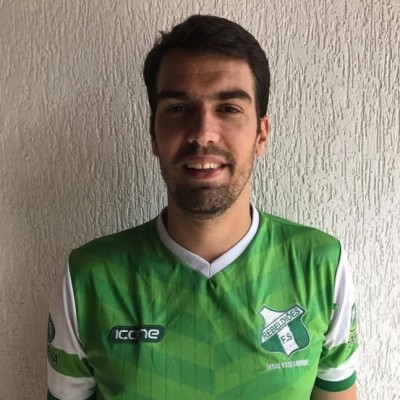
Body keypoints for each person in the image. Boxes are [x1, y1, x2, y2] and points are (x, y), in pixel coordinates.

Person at [47, 15, 358, 400]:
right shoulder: (89, 277)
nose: (202, 133)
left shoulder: (321, 265)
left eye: (228, 108)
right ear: (154, 134)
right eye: (179, 109)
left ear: (261, 134)